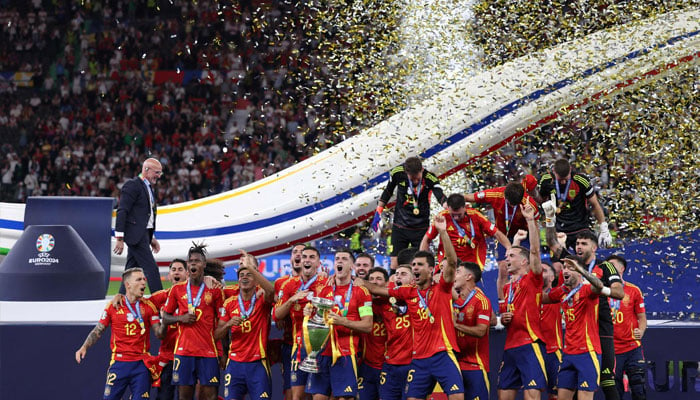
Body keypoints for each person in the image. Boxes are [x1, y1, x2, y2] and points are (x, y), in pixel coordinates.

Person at [363, 213, 464, 400]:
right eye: (414, 265)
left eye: (420, 265)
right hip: (418, 360)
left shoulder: (442, 288)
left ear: (431, 270)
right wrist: (357, 282)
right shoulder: (408, 292)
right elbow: (381, 290)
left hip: (443, 354)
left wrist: (443, 232)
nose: (415, 267)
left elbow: (451, 262)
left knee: (457, 397)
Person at [543, 200, 624, 400]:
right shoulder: (571, 262)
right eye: (577, 243)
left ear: (594, 248)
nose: (578, 246)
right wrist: (550, 218)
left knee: (606, 379)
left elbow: (618, 292)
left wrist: (594, 288)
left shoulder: (605, 267)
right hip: (574, 330)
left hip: (600, 326)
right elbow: (552, 242)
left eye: (583, 243)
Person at [75, 268, 163, 400]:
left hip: (141, 364)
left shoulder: (149, 306)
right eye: (139, 280)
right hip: (119, 363)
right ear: (128, 285)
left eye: (144, 279)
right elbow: (98, 330)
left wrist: (166, 320)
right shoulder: (113, 306)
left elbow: (159, 333)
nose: (143, 283)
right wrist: (84, 347)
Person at [543, 257, 615, 400]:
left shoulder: (587, 290)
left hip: (587, 353)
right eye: (564, 267)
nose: (565, 270)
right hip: (568, 354)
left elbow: (599, 286)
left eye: (570, 268)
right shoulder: (562, 291)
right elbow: (542, 298)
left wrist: (580, 268)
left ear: (579, 272)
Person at [307, 249, 373, 400]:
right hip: (322, 352)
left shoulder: (361, 291)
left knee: (345, 398)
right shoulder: (324, 290)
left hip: (345, 352)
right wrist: (309, 313)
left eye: (344, 259)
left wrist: (343, 321)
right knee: (318, 397)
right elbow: (317, 321)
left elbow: (368, 325)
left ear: (351, 266)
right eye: (337, 259)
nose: (340, 261)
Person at [161, 243, 225, 400]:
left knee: (210, 397)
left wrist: (223, 351)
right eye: (190, 261)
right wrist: (180, 318)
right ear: (188, 265)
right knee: (184, 397)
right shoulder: (177, 290)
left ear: (203, 264)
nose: (193, 263)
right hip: (184, 352)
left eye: (197, 261)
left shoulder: (214, 290)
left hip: (208, 352)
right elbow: (166, 317)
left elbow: (222, 323)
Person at [497, 203, 547, 400]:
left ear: (524, 261)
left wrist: (530, 221)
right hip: (511, 346)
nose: (506, 259)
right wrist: (505, 318)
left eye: (511, 256)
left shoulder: (532, 279)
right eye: (506, 255)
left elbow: (534, 251)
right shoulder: (509, 287)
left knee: (532, 395)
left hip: (530, 342)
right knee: (504, 393)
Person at [215, 251, 276, 400]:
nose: (244, 277)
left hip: (258, 363)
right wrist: (229, 324)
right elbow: (216, 335)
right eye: (241, 275)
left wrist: (252, 269)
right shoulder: (229, 303)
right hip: (235, 363)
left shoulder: (262, 299)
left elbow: (271, 290)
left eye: (249, 275)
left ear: (256, 279)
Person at [371, 156, 447, 271]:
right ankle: (394, 288)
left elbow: (440, 196)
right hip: (400, 226)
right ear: (406, 172)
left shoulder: (430, 178)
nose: (415, 182)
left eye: (417, 178)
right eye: (412, 179)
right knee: (394, 264)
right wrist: (378, 211)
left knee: (421, 264)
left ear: (422, 170)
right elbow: (388, 190)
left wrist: (449, 207)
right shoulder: (397, 173)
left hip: (421, 229)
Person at [274, 246, 330, 400]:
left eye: (312, 257)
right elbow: (276, 315)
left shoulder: (327, 283)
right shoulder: (289, 285)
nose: (307, 259)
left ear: (318, 263)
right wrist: (292, 300)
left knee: (320, 396)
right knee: (296, 396)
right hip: (298, 348)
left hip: (323, 348)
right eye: (305, 256)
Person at [420, 193, 510, 270]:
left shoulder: (476, 216)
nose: (456, 218)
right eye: (453, 215)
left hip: (472, 265)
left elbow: (497, 234)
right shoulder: (441, 217)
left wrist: (509, 249)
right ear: (448, 208)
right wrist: (422, 262)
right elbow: (427, 239)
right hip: (449, 264)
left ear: (465, 207)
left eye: (459, 215)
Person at [114, 157, 164, 293]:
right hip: (136, 236)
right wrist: (119, 238)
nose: (159, 176)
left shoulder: (148, 188)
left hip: (143, 235)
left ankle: (121, 299)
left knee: (130, 269)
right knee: (151, 268)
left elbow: (145, 216)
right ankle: (160, 302)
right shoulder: (132, 185)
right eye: (157, 172)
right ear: (146, 170)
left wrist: (151, 238)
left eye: (160, 173)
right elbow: (122, 210)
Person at [538, 158, 612, 249]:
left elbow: (595, 204)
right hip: (558, 230)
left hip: (580, 228)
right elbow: (540, 201)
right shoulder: (546, 180)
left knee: (585, 259)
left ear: (570, 170)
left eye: (566, 178)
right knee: (559, 262)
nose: (563, 182)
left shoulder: (581, 180)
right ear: (554, 171)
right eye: (560, 179)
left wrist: (604, 228)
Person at [606, 255, 647, 400]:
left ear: (622, 269)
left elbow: (642, 318)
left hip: (632, 347)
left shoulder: (634, 290)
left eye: (612, 266)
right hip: (611, 350)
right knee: (615, 393)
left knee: (639, 388)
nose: (608, 269)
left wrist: (640, 331)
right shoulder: (602, 291)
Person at [464, 181, 539, 259]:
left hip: (523, 235)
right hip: (503, 236)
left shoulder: (529, 204)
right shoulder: (495, 194)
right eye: (510, 203)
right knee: (503, 266)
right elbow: (468, 197)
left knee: (526, 262)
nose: (512, 206)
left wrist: (537, 249)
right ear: (505, 196)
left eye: (515, 204)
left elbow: (535, 227)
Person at [452, 261, 493, 400]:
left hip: (475, 365)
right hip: (455, 366)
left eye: (458, 272)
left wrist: (456, 325)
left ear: (468, 276)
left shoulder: (481, 300)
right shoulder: (455, 302)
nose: (454, 275)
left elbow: (481, 331)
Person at [375, 263, 414, 400]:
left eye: (403, 274)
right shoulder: (386, 302)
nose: (399, 276)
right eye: (397, 274)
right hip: (390, 364)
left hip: (413, 364)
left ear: (413, 280)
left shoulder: (419, 299)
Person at [275, 244, 306, 400]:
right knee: (292, 393)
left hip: (319, 346)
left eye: (303, 252)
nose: (299, 255)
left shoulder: (323, 281)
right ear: (291, 258)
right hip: (291, 344)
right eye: (295, 252)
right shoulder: (283, 283)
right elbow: (276, 310)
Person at [358, 267, 389, 400]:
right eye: (371, 279)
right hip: (366, 367)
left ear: (387, 283)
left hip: (388, 366)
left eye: (379, 279)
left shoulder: (397, 304)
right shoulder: (363, 304)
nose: (374, 282)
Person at [540, 261, 563, 400]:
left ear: (552, 278)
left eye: (543, 270)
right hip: (533, 351)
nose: (538, 272)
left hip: (553, 351)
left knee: (555, 395)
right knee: (532, 392)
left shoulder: (556, 293)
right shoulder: (525, 294)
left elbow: (563, 268)